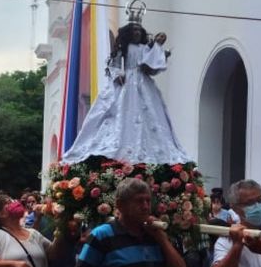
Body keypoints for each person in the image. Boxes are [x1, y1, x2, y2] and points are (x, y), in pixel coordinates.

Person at [62, 20, 190, 165]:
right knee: (118, 114)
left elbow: (150, 68)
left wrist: (158, 48)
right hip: (126, 83)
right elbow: (113, 65)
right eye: (134, 30)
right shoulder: (123, 48)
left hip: (144, 85)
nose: (136, 32)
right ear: (128, 33)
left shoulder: (145, 48)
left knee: (151, 116)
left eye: (138, 30)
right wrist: (117, 74)